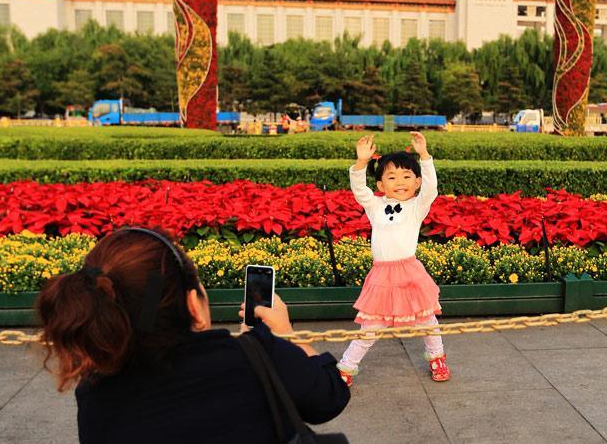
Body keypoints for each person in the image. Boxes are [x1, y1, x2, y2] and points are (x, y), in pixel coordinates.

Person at [36, 227, 349, 444]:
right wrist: (285, 336)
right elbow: (329, 396)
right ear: (193, 305)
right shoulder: (256, 357)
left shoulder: (95, 389)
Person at [336, 132, 450, 386]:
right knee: (371, 327)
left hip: (410, 274)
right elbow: (359, 190)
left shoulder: (417, 206)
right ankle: (346, 366)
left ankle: (437, 357)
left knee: (426, 320)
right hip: (382, 277)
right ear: (380, 185)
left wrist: (424, 155)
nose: (400, 182)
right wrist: (361, 163)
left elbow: (432, 188)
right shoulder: (375, 206)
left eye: (407, 176)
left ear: (417, 182)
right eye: (392, 177)